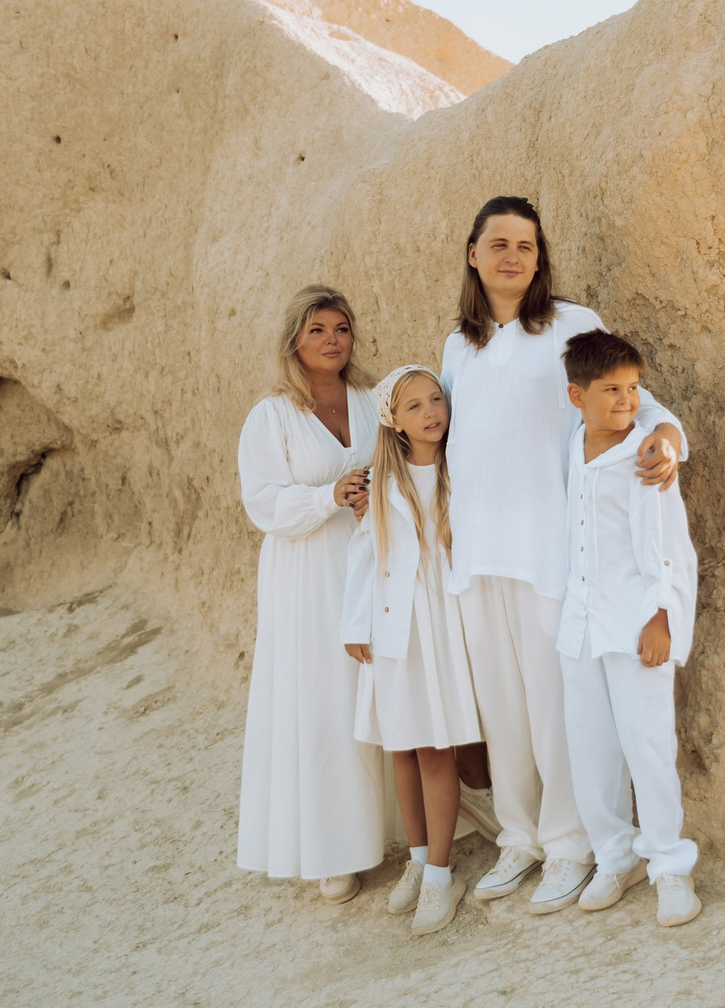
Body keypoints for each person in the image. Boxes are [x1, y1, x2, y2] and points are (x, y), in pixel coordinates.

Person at [439, 195, 688, 914]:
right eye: (499, 244)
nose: (512, 256)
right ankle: (519, 837)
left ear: (540, 257)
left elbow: (636, 402)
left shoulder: (571, 325)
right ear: (473, 255)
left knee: (558, 714)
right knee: (504, 709)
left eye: (526, 245)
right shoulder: (458, 345)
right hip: (477, 552)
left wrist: (670, 441)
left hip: (551, 550)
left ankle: (571, 845)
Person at [235, 284, 385, 903]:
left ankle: (399, 828)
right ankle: (334, 848)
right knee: (323, 696)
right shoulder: (272, 416)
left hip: (371, 560)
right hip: (307, 573)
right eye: (318, 330)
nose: (332, 340)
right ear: (294, 340)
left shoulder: (372, 401)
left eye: (341, 329)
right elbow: (263, 502)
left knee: (378, 686)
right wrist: (328, 496)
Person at [557, 329, 701, 927]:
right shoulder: (575, 444)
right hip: (581, 624)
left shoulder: (646, 455)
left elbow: (667, 545)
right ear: (577, 396)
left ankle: (670, 865)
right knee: (591, 749)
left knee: (647, 745)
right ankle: (615, 857)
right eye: (612, 390)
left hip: (636, 622)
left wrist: (662, 616)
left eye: (634, 388)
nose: (627, 401)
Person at [341, 365, 482, 936]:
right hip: (394, 626)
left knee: (434, 746)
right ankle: (419, 858)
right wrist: (355, 622)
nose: (431, 412)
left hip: (441, 623)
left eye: (436, 399)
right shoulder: (384, 482)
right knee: (401, 745)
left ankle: (442, 874)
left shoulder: (460, 467)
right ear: (395, 423)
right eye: (415, 406)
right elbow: (364, 553)